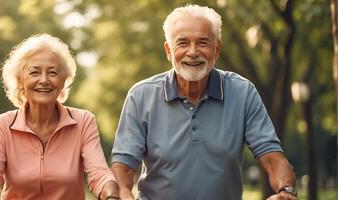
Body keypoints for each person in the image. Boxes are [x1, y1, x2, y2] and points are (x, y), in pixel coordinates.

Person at [111, 4, 298, 200]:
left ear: (216, 50)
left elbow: (273, 160)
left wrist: (286, 192)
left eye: (202, 43)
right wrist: (123, 194)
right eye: (182, 43)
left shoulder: (243, 93)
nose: (192, 52)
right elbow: (123, 171)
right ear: (168, 50)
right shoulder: (140, 96)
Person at [0, 34, 119, 200]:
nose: (44, 80)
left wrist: (111, 195)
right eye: (34, 72)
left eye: (52, 72)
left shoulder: (84, 122)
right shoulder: (2, 125)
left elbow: (99, 174)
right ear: (20, 80)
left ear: (63, 80)